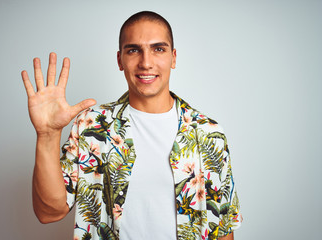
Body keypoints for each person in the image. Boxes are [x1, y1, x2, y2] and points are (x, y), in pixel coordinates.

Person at [21, 11, 242, 240]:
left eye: (158, 49)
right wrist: (47, 135)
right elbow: (49, 212)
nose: (146, 63)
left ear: (173, 57)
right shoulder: (92, 127)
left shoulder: (209, 133)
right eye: (134, 50)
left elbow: (222, 229)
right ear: (120, 60)